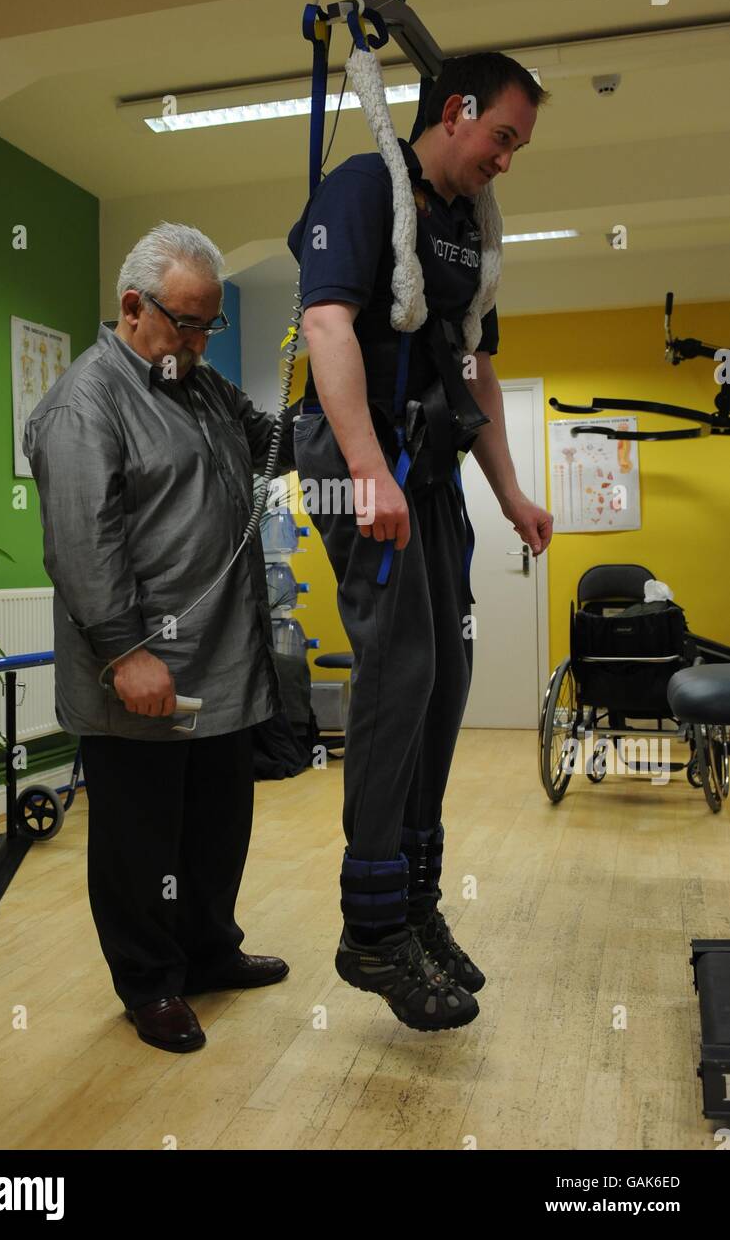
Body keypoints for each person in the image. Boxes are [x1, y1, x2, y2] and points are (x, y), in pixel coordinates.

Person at [288, 52, 555, 1032]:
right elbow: (325, 324)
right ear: (458, 109)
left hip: (429, 461)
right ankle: (370, 927)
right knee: (398, 673)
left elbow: (475, 364)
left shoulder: (463, 229)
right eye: (503, 138)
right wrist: (363, 466)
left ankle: (414, 903)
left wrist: (512, 489)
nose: (506, 160)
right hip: (363, 456)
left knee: (443, 679)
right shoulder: (365, 188)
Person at [24, 223, 292, 1054]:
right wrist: (123, 652)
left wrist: (326, 364)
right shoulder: (84, 404)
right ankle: (148, 983)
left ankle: (209, 952)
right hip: (136, 668)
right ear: (132, 307)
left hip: (220, 659)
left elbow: (269, 445)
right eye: (187, 323)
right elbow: (80, 544)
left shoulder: (200, 386)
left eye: (210, 325)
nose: (200, 340)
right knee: (141, 842)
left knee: (216, 824)